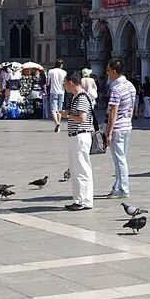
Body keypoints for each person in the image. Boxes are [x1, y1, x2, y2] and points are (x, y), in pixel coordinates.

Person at [62, 72, 95, 209]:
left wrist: (68, 114)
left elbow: (82, 118)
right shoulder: (77, 97)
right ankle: (79, 200)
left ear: (71, 82)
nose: (64, 85)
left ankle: (85, 201)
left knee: (82, 169)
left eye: (64, 83)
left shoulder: (82, 97)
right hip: (75, 136)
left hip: (80, 136)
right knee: (75, 169)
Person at [104, 59, 136, 198]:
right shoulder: (130, 86)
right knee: (121, 158)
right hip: (127, 125)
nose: (107, 73)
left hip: (117, 127)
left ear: (114, 72)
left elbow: (113, 112)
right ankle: (117, 185)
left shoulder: (116, 89)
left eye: (108, 71)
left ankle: (124, 189)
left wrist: (109, 132)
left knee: (119, 160)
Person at [46, 59, 68, 132]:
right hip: (61, 92)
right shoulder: (64, 72)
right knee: (59, 109)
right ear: (61, 65)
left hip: (53, 91)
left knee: (53, 109)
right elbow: (65, 83)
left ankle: (56, 123)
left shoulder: (51, 71)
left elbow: (48, 83)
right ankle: (58, 125)